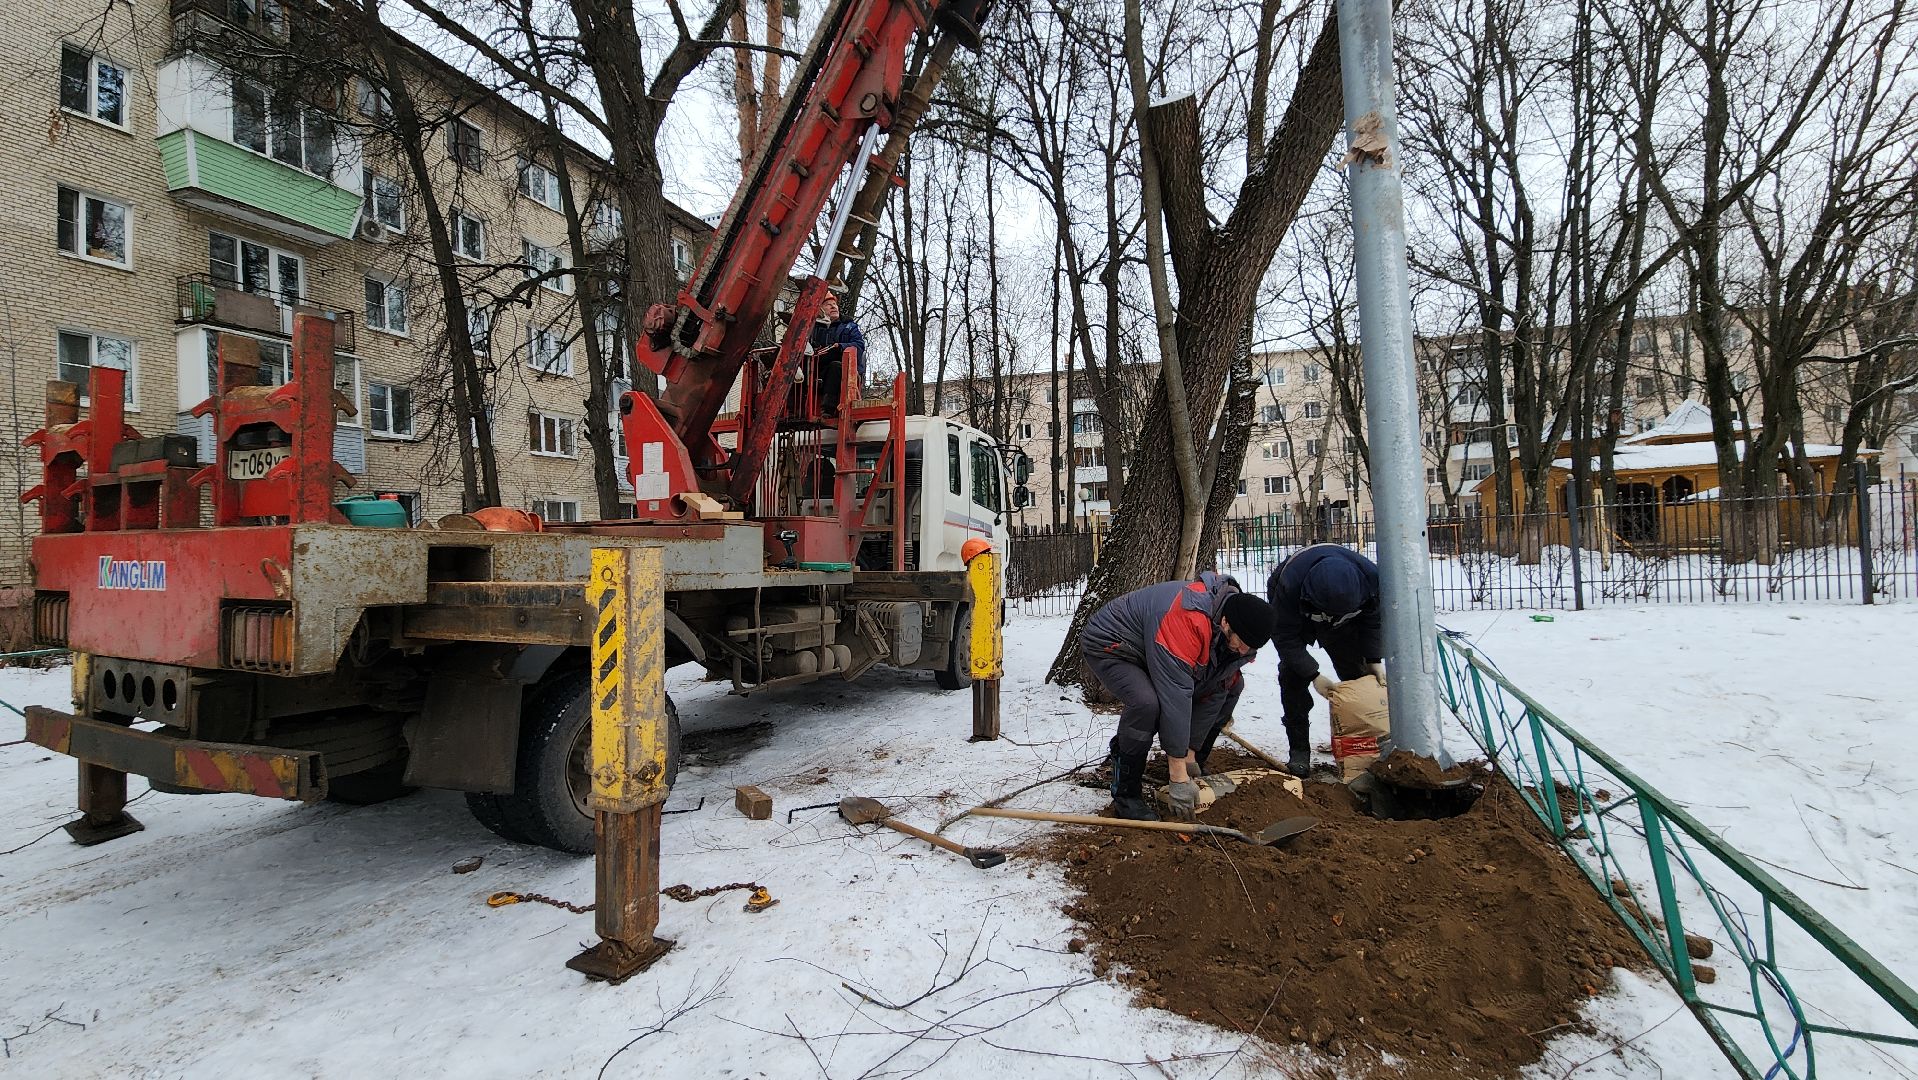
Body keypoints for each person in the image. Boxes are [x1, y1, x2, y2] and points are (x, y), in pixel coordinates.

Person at [1081, 572, 1278, 820]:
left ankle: (1192, 766)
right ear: (1226, 623)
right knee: (1147, 703)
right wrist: (1177, 774)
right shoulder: (1189, 617)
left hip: (1155, 646)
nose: (1244, 651)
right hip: (1115, 644)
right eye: (1242, 643)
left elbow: (1217, 687)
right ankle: (1126, 794)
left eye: (1251, 648)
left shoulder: (1239, 638)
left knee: (1232, 687)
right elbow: (1176, 695)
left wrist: (1189, 754)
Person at [1266, 544, 1387, 778]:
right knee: (1292, 678)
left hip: (1347, 627)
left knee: (1359, 680)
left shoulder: (1371, 580)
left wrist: (1373, 657)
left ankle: (1364, 751)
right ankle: (1299, 751)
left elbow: (1373, 620)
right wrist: (1312, 674)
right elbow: (1284, 636)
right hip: (1300, 617)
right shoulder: (1289, 585)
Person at [810, 293, 866, 415]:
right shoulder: (814, 328)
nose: (833, 307)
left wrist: (841, 346)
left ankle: (828, 408)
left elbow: (859, 345)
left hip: (846, 369)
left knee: (835, 367)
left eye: (834, 304)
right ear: (820, 310)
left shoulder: (849, 326)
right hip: (820, 366)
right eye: (828, 305)